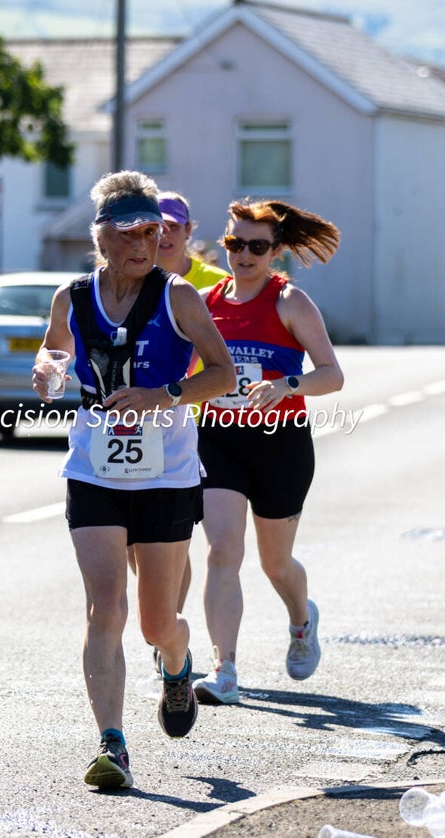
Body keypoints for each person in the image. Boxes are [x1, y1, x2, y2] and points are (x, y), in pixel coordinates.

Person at [32, 171, 235, 789]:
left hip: (166, 474)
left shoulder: (178, 297)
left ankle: (176, 665)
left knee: (154, 622)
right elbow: (53, 352)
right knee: (105, 609)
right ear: (101, 237)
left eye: (153, 232)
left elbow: (223, 373)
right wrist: (47, 371)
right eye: (129, 235)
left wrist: (163, 393)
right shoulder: (71, 296)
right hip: (94, 468)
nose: (143, 246)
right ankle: (112, 744)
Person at [191, 198, 344, 705]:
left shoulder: (289, 302)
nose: (245, 255)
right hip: (219, 439)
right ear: (224, 244)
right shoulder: (206, 304)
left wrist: (287, 384)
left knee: (275, 564)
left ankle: (302, 619)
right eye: (236, 244)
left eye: (257, 246)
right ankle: (224, 669)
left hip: (281, 444)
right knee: (222, 552)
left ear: (275, 251)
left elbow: (332, 374)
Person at [126, 191, 229, 629]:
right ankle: (169, 626)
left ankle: (170, 633)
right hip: (140, 426)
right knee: (142, 549)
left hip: (210, 424)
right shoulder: (126, 281)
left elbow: (225, 362)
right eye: (155, 227)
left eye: (173, 226)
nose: (164, 235)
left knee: (179, 541)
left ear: (190, 231)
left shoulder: (213, 284)